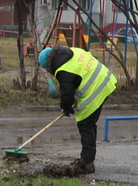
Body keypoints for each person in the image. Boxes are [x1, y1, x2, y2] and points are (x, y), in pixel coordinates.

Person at [38, 44, 117, 174]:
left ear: (49, 66)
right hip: (106, 79)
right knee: (90, 125)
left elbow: (67, 95)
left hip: (96, 89)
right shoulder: (74, 51)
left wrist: (66, 108)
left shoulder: (62, 71)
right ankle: (86, 159)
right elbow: (78, 78)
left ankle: (87, 163)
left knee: (86, 124)